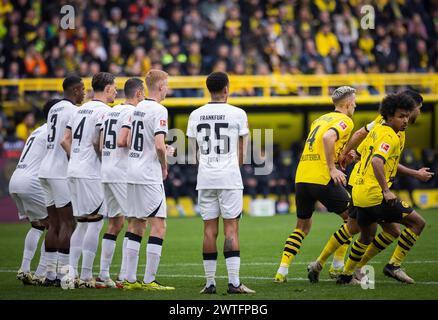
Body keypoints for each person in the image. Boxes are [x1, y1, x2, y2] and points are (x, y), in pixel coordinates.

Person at [307, 91, 434, 283]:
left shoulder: (383, 125)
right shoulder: (391, 132)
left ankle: (332, 267)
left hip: (359, 185)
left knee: (358, 230)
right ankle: (389, 266)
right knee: (413, 224)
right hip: (373, 190)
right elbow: (375, 158)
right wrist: (385, 189)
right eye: (418, 109)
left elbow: (374, 154)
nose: (415, 115)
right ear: (410, 108)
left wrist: (415, 173)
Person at [274, 86, 356, 283]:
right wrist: (332, 168)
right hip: (322, 176)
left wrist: (343, 157)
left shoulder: (319, 120)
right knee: (354, 219)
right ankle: (337, 266)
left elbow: (323, 144)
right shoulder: (345, 120)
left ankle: (282, 271)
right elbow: (329, 138)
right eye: (354, 102)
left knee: (302, 226)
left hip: (302, 176)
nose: (355, 105)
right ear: (346, 104)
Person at [187, 71, 255, 294]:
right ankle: (234, 283)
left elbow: (192, 152)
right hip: (229, 177)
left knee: (209, 230)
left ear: (209, 89)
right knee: (231, 230)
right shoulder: (238, 113)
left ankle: (209, 283)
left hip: (205, 178)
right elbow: (242, 153)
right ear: (226, 89)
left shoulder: (196, 114)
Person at [61, 72, 115, 288]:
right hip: (90, 172)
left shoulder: (78, 110)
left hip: (73, 169)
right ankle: (85, 276)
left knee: (82, 223)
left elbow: (65, 140)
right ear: (108, 88)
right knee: (95, 222)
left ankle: (71, 274)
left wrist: (77, 159)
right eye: (115, 87)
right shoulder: (104, 112)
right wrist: (104, 162)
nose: (116, 91)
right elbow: (98, 143)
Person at [122, 69, 174, 291]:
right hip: (147, 174)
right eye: (167, 85)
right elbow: (159, 144)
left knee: (135, 222)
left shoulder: (138, 107)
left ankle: (129, 279)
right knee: (159, 225)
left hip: (131, 170)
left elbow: (137, 139)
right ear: (161, 87)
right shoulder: (159, 109)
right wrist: (164, 163)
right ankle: (150, 279)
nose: (168, 89)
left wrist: (159, 150)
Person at [95, 78, 145, 288]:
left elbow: (98, 143)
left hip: (106, 170)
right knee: (137, 221)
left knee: (115, 223)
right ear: (140, 94)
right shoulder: (132, 113)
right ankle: (125, 276)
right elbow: (125, 141)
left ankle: (103, 274)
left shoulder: (110, 111)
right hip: (121, 173)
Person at [38, 76, 85, 286]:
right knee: (68, 223)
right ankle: (64, 276)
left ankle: (49, 275)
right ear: (75, 90)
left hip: (45, 170)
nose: (85, 93)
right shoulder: (73, 111)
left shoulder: (54, 109)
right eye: (83, 89)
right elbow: (67, 141)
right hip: (59, 171)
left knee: (54, 225)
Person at [10, 100, 59, 286]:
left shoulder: (38, 130)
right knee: (55, 225)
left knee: (37, 225)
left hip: (16, 179)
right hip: (31, 182)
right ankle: (42, 273)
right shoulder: (52, 132)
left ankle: (24, 268)